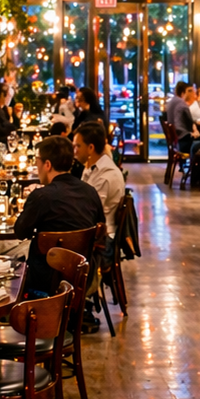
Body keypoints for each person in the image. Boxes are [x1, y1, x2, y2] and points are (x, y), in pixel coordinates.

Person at [13, 135, 105, 297]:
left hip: (44, 281)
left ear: (47, 164)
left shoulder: (42, 196)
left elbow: (20, 232)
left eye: (37, 161)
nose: (37, 165)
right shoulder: (90, 192)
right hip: (83, 277)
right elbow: (100, 229)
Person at [74, 119, 124, 279]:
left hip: (101, 243)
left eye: (78, 146)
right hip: (94, 233)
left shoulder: (105, 175)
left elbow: (90, 214)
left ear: (91, 148)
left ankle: (67, 296)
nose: (74, 151)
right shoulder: (91, 168)